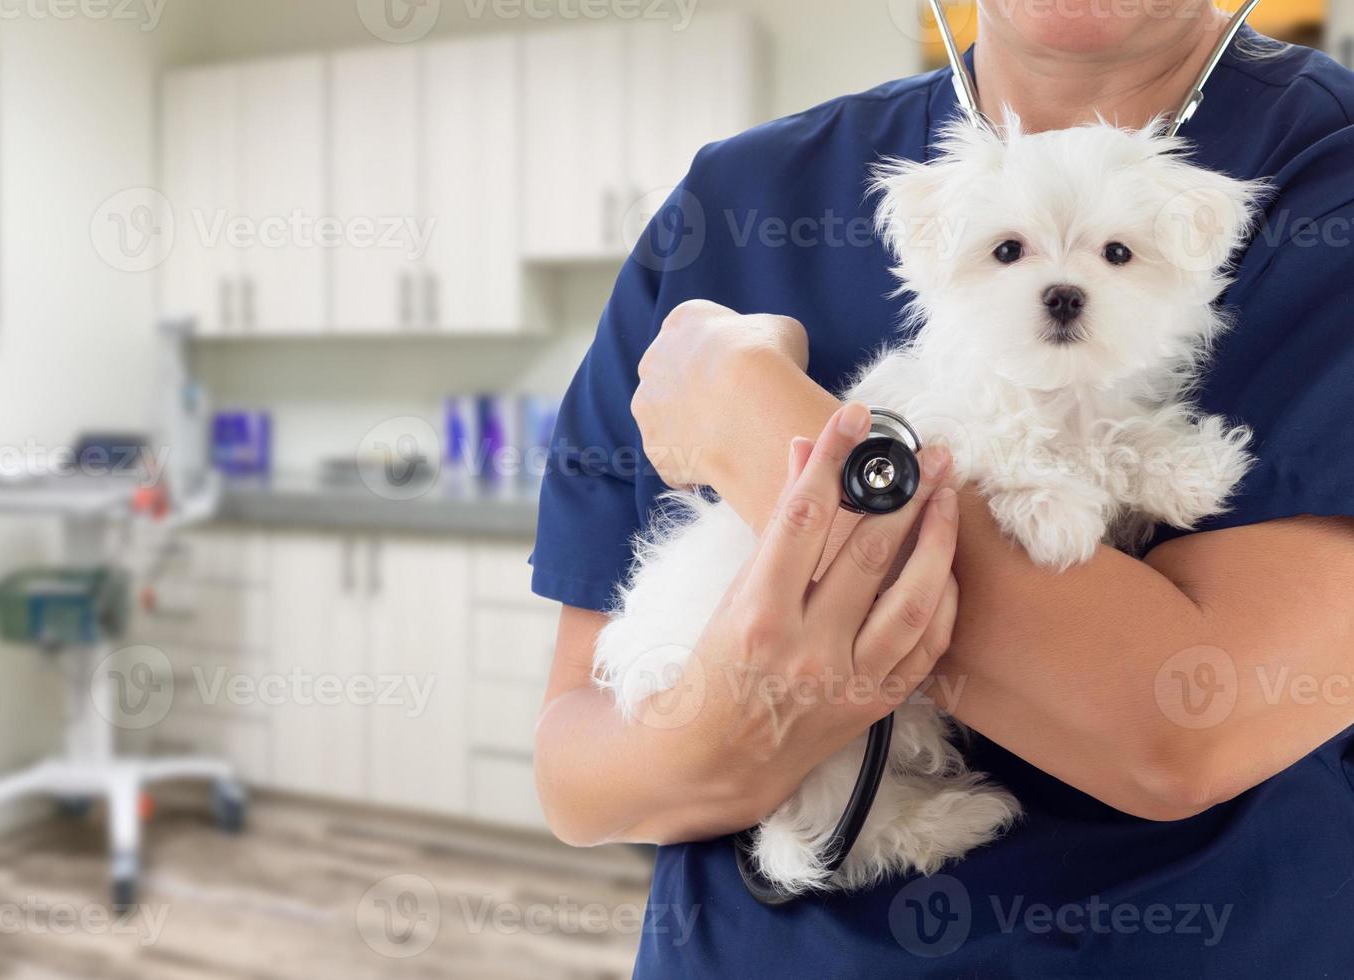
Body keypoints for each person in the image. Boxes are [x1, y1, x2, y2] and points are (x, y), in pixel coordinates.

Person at [530, 1, 1354, 975]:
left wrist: (760, 421)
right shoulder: (732, 195)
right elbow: (578, 777)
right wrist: (739, 721)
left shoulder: (1323, 172)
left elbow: (1182, 728)